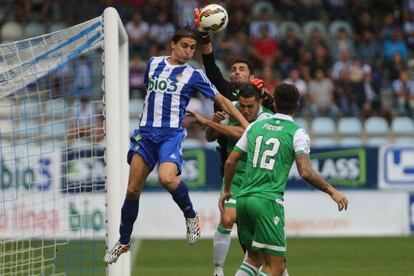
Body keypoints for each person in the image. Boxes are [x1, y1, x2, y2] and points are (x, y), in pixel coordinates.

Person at [103, 28, 249, 265]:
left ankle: (191, 216)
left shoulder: (194, 74)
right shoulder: (153, 64)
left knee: (167, 178)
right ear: (173, 44)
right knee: (131, 190)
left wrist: (245, 125)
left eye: (193, 47)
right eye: (185, 46)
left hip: (170, 135)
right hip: (145, 134)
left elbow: (221, 100)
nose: (189, 51)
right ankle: (123, 242)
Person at [220, 83, 349, 275]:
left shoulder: (255, 126)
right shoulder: (297, 133)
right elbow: (305, 171)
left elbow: (230, 162)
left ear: (275, 102)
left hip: (243, 200)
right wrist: (332, 191)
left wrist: (228, 190)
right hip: (267, 201)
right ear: (297, 105)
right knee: (276, 267)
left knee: (254, 259)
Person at [193, 8, 276, 276]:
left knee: (253, 245)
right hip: (233, 169)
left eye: (242, 69)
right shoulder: (227, 94)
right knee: (230, 221)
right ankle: (218, 270)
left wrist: (267, 95)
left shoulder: (264, 100)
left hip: (260, 174)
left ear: (252, 76)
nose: (236, 72)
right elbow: (210, 65)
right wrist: (204, 35)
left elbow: (279, 113)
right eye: (234, 69)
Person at [189, 83, 273, 276]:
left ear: (259, 103)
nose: (244, 110)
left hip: (257, 180)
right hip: (236, 176)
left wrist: (209, 122)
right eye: (242, 106)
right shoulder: (230, 108)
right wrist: (214, 122)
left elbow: (245, 133)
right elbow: (210, 137)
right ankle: (218, 270)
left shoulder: (266, 117)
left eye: (249, 106)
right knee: (227, 218)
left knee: (255, 235)